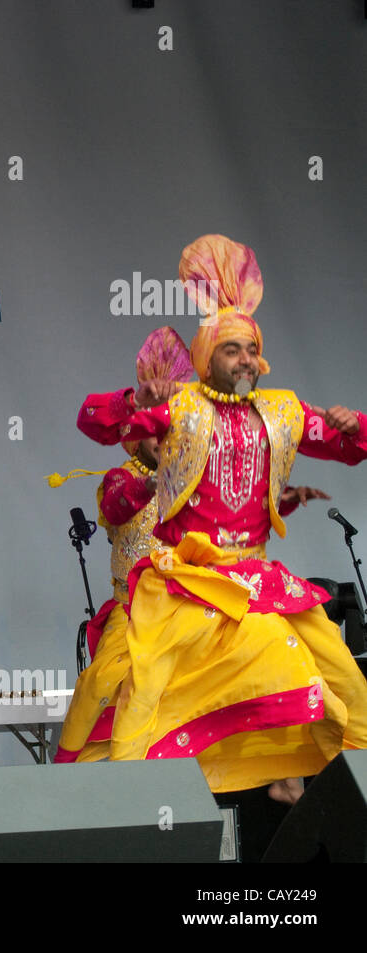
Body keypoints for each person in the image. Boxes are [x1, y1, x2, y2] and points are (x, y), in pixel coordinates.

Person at [84, 234, 367, 802]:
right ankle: (126, 804)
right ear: (207, 356)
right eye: (230, 349)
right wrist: (132, 402)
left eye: (249, 350)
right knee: (151, 693)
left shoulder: (283, 412)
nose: (243, 359)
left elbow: (348, 448)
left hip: (257, 577)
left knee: (343, 675)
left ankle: (297, 775)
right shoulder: (181, 411)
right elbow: (97, 422)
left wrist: (353, 425)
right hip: (189, 581)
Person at [54, 326, 326, 763]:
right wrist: (154, 482)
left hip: (201, 600)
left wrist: (283, 500)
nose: (164, 441)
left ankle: (279, 770)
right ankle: (85, 777)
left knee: (274, 654)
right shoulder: (121, 478)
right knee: (104, 681)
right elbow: (119, 505)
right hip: (136, 612)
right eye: (156, 432)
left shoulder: (201, 468)